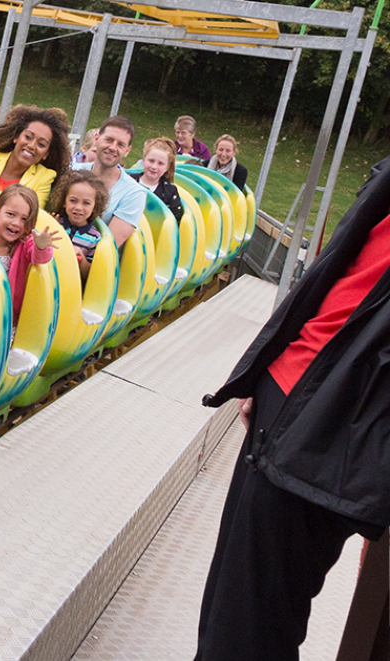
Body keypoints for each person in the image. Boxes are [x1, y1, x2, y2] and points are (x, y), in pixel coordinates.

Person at [195, 154, 390, 661]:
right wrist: (268, 372)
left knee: (253, 627)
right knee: (230, 603)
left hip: (342, 430)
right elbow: (341, 275)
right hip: (293, 395)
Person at [0, 184, 59, 319]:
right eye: (11, 214)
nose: (17, 223)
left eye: (24, 219)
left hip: (2, 313)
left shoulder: (24, 243)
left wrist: (41, 246)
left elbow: (39, 258)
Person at [70, 115, 146, 249]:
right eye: (109, 140)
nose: (113, 147)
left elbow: (107, 248)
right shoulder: (73, 171)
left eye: (120, 144)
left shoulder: (133, 193)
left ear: (127, 151)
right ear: (96, 139)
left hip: (92, 261)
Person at [0, 105, 71, 208]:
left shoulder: (45, 177)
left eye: (41, 144)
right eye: (28, 137)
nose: (31, 146)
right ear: (16, 137)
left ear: (46, 154)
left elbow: (32, 214)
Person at [51, 170, 108, 282]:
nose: (78, 207)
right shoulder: (55, 223)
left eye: (86, 203)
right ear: (64, 201)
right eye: (73, 201)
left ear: (95, 207)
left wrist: (80, 256)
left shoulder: (94, 237)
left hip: (72, 287)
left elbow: (88, 274)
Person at [130, 137, 184, 223]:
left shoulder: (169, 191)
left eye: (160, 163)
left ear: (167, 167)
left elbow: (174, 222)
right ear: (143, 161)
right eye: (151, 161)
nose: (154, 167)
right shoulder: (129, 181)